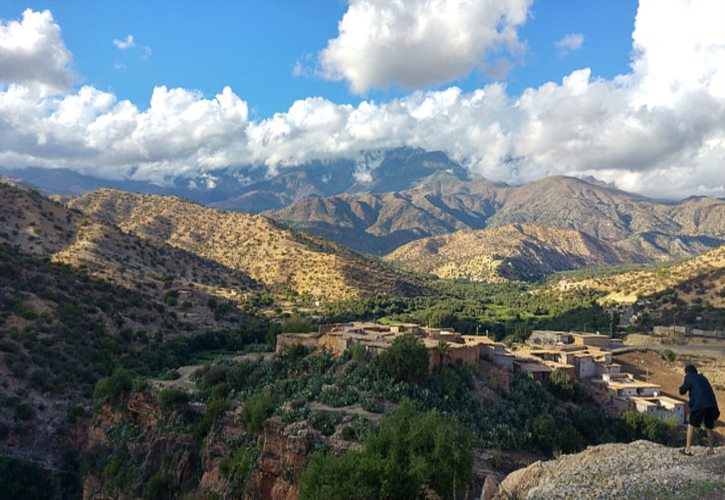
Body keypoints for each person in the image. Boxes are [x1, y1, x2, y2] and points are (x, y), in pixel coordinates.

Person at [679, 364, 720, 455]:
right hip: (711, 405)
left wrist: (685, 379)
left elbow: (682, 391)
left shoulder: (689, 377)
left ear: (687, 372)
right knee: (709, 427)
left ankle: (687, 450)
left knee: (691, 425)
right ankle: (711, 450)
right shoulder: (703, 378)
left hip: (699, 405)